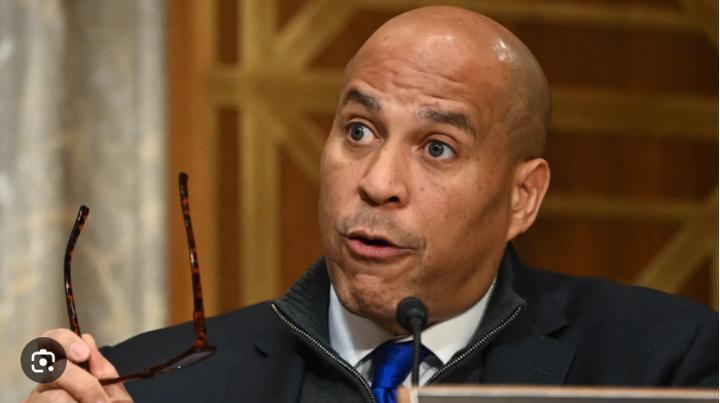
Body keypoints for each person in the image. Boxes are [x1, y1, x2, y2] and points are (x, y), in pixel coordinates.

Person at [25, 6, 717, 403]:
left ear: (522, 197)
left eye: (438, 147)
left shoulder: (666, 365)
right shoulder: (155, 385)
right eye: (359, 131)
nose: (379, 181)